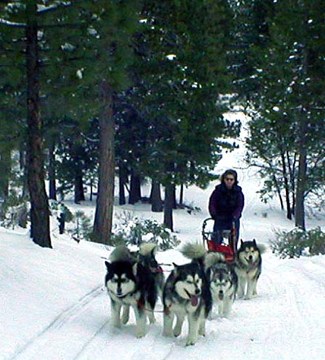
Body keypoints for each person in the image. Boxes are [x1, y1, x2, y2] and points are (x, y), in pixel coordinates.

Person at [208, 169, 245, 248]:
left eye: (231, 179)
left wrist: (235, 216)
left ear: (234, 180)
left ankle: (232, 256)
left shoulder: (238, 192)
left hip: (233, 220)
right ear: (223, 179)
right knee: (216, 240)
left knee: (233, 242)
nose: (229, 181)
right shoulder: (218, 191)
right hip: (220, 218)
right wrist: (214, 214)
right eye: (227, 179)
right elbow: (212, 203)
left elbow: (240, 206)